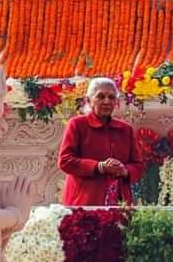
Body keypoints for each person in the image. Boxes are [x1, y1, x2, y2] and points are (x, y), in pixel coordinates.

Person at [57, 77, 139, 206]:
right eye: (100, 96)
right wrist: (99, 167)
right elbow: (65, 161)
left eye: (111, 97)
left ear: (116, 102)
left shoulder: (126, 129)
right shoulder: (77, 124)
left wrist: (124, 170)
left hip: (119, 202)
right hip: (84, 201)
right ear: (88, 101)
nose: (107, 101)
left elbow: (138, 165)